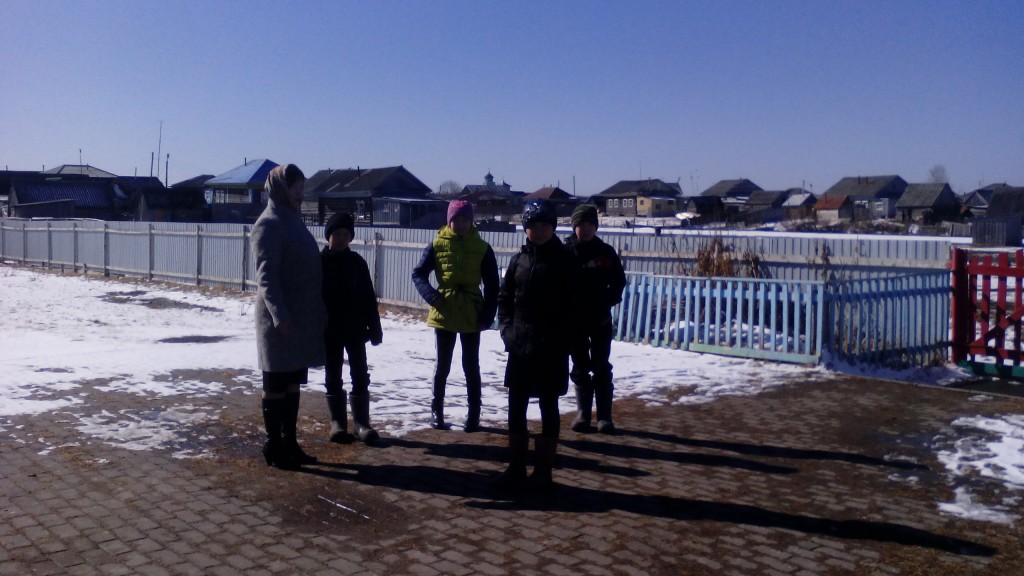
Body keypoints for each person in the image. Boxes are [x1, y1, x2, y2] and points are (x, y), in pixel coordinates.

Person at [495, 198, 574, 489]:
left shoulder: (565, 261)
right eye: (533, 226)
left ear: (552, 227)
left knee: (548, 406)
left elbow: (575, 306)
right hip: (520, 346)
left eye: (544, 225)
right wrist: (507, 330)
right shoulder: (519, 260)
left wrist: (561, 339)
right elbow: (505, 300)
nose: (538, 231)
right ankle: (516, 467)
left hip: (551, 348)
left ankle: (543, 473)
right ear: (525, 228)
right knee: (515, 406)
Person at [251, 163, 325, 470]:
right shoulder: (268, 224)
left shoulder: (294, 220)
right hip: (278, 320)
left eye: (302, 187)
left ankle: (289, 442)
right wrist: (280, 316)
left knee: (293, 381)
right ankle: (273, 445)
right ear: (280, 189)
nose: (300, 192)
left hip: (299, 317)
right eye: (295, 187)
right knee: (276, 383)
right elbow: (266, 278)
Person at [411, 200, 499, 432]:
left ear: (472, 222)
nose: (460, 225)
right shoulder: (436, 244)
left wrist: (487, 315)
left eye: (465, 220)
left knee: (471, 364)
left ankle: (474, 414)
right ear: (449, 221)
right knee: (442, 364)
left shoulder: (482, 247)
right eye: (456, 220)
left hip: (472, 311)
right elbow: (418, 274)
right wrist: (432, 296)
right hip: (445, 310)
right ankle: (437, 411)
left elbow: (493, 285)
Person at [321, 211, 383, 445]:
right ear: (328, 235)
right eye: (337, 234)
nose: (341, 239)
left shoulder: (357, 262)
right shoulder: (319, 263)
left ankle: (361, 423)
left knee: (360, 373)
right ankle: (337, 422)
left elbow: (368, 297)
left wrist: (375, 327)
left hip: (355, 328)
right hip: (329, 329)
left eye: (346, 235)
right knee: (333, 373)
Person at [564, 204, 627, 434]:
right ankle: (583, 415)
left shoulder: (605, 252)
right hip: (574, 321)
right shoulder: (565, 252)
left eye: (591, 224)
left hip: (600, 319)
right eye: (581, 224)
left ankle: (604, 417)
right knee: (580, 366)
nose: (587, 228)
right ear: (574, 226)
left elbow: (618, 281)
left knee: (601, 365)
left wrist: (607, 300)